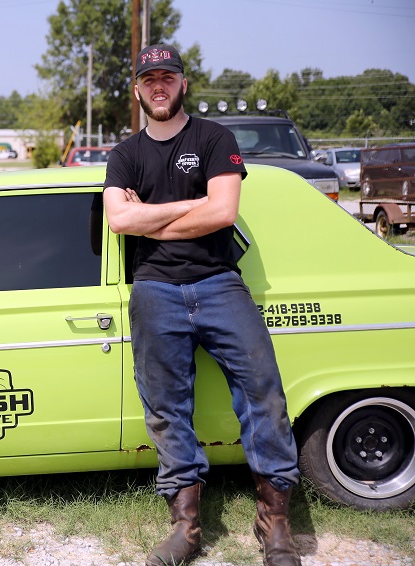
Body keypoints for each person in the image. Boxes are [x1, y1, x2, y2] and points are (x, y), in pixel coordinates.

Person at [103, 43, 302, 566]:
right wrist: (196, 204)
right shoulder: (125, 155)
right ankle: (186, 527)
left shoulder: (215, 138)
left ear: (183, 84)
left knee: (263, 393)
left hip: (219, 283)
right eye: (150, 79)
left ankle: (275, 523)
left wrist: (154, 218)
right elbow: (119, 220)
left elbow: (223, 212)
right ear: (137, 89)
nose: (159, 86)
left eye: (168, 77)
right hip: (154, 288)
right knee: (165, 406)